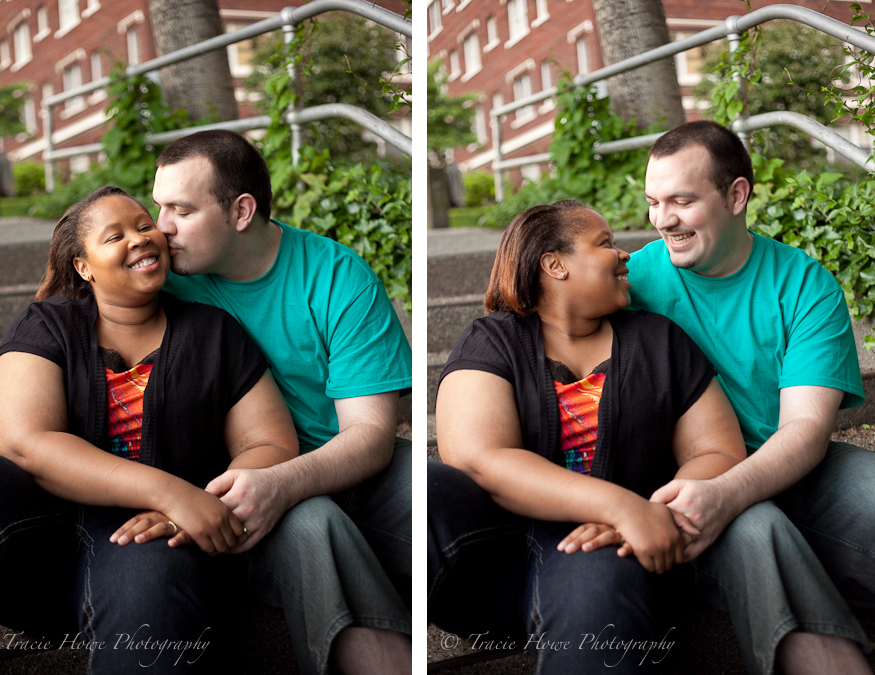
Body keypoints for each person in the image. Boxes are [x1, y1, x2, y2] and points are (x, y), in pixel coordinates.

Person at [0, 186, 299, 674]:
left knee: (151, 561)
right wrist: (170, 492)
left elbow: (270, 442)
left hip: (159, 549)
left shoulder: (213, 332)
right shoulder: (48, 325)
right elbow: (22, 442)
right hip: (42, 553)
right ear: (84, 266)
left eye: (145, 226)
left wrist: (197, 509)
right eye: (115, 235)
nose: (140, 239)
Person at [428, 199, 747, 673]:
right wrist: (622, 506)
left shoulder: (659, 340)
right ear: (555, 265)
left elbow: (718, 450)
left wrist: (650, 515)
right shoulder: (492, 340)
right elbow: (478, 457)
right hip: (496, 555)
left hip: (609, 553)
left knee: (598, 576)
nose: (625, 256)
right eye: (605, 244)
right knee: (422, 485)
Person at [150, 129, 412, 675]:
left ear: (241, 211)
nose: (161, 228)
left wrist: (285, 481)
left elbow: (369, 434)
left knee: (431, 492)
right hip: (232, 487)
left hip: (345, 467)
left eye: (181, 209)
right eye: (158, 207)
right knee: (313, 522)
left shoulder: (335, 275)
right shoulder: (163, 284)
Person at [631, 120, 873, 674]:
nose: (662, 219)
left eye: (682, 201)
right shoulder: (630, 283)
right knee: (757, 530)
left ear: (736, 194)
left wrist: (732, 492)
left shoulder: (804, 285)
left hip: (796, 470)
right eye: (653, 202)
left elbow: (806, 431)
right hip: (686, 487)